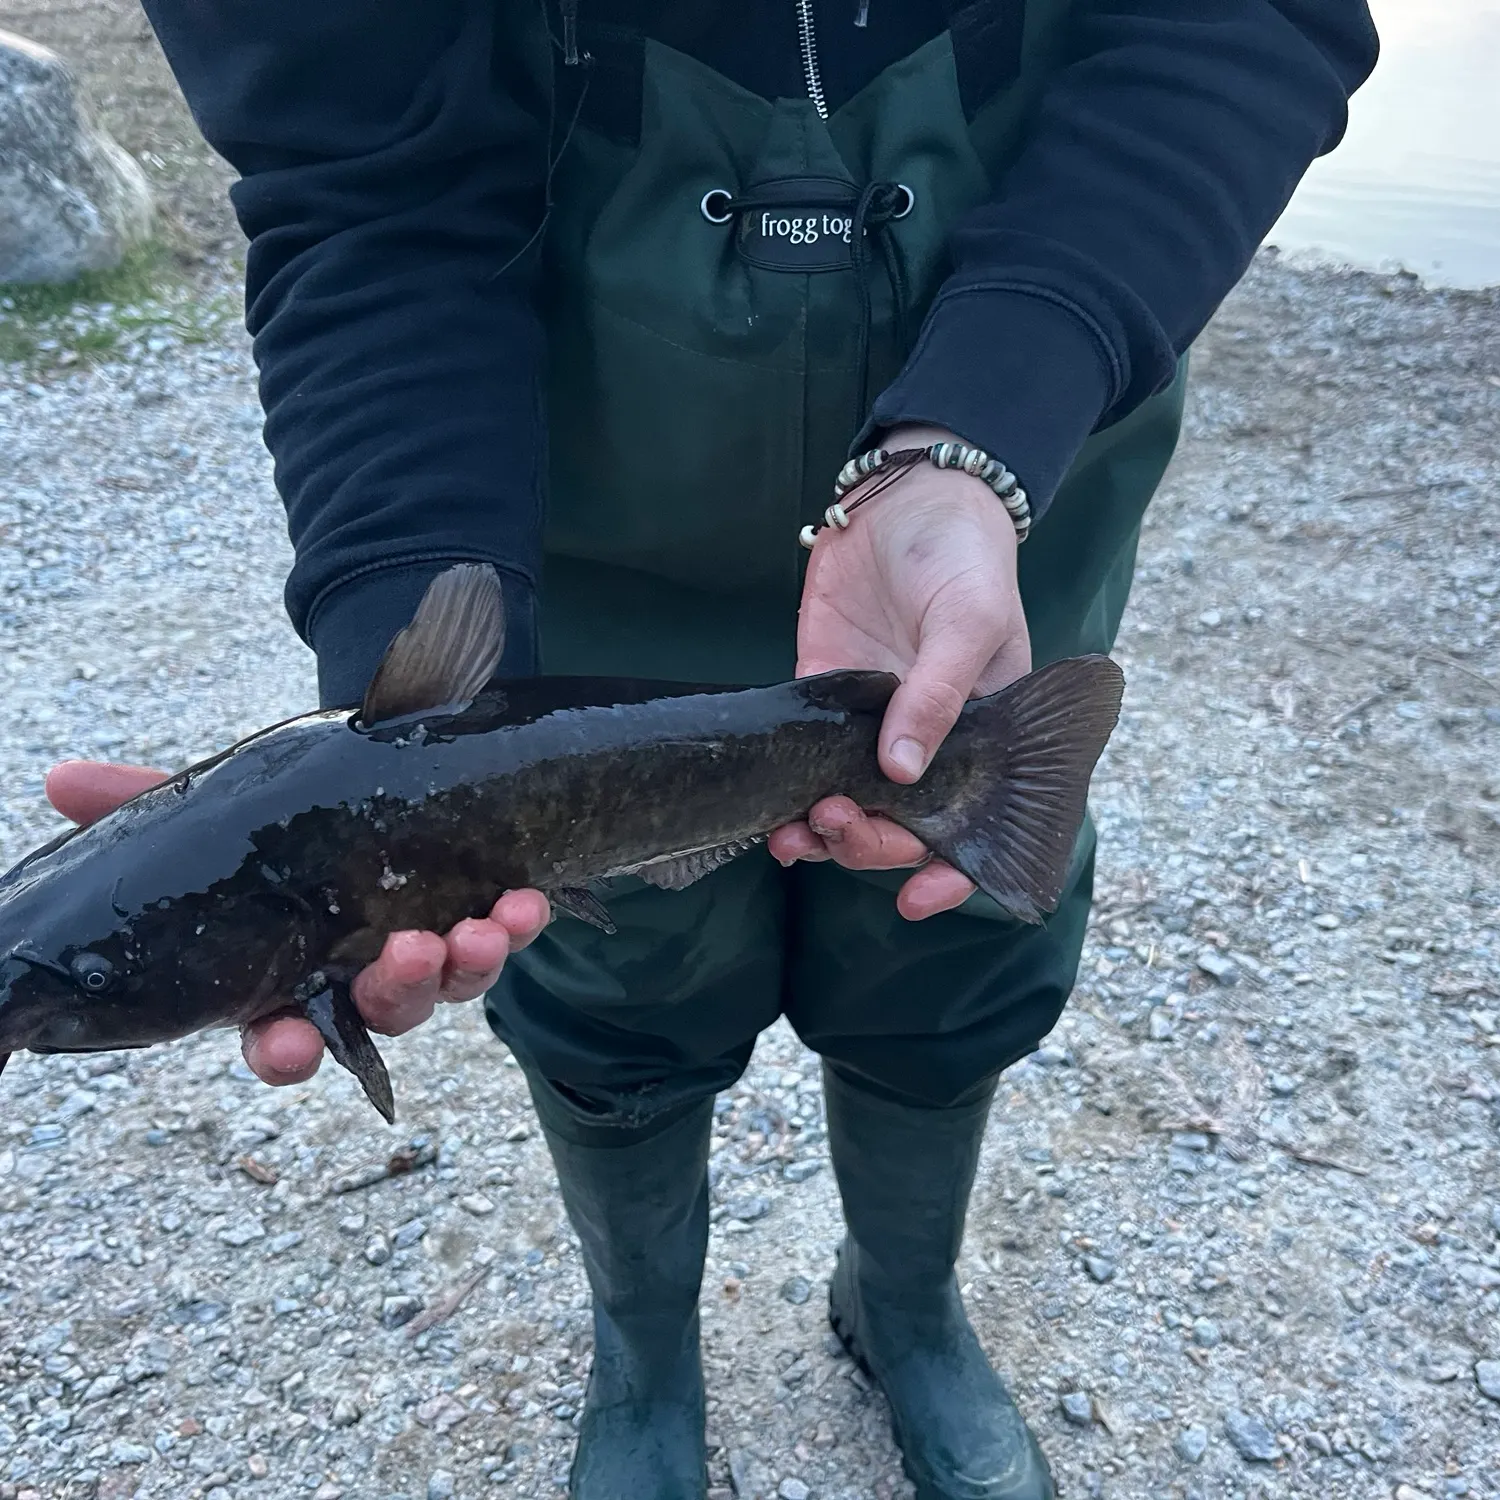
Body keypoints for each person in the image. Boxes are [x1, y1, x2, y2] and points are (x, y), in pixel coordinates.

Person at [50, 2, 1377, 1495]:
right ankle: (644, 1352)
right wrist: (401, 649)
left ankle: (907, 1305)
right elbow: (367, 185)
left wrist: (990, 416)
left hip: (995, 468)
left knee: (946, 946)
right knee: (616, 986)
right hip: (570, 516)